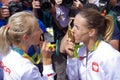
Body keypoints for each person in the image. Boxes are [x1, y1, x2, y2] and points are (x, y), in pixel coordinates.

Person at [60, 8, 120, 80]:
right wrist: (71, 58)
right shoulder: (80, 50)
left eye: (77, 27)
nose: (72, 30)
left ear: (91, 32)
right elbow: (73, 78)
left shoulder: (110, 56)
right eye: (73, 25)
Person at [0, 11, 55, 80]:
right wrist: (47, 60)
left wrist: (50, 43)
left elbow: (47, 29)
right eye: (38, 29)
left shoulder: (4, 48)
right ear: (25, 38)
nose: (41, 31)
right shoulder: (27, 69)